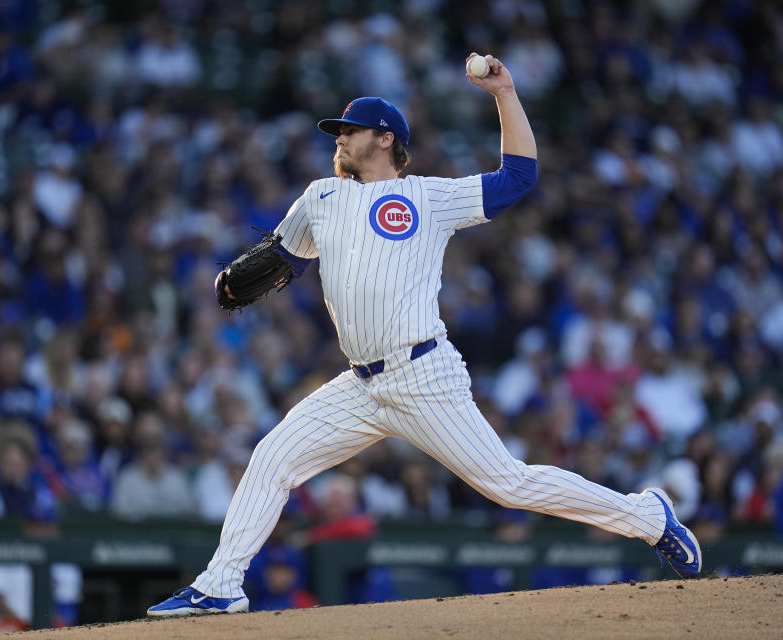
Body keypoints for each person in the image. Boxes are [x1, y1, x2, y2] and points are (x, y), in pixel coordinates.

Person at [148, 54, 701, 617]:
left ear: (385, 139)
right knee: (272, 458)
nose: (338, 138)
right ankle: (220, 584)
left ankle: (648, 517)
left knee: (508, 484)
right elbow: (282, 259)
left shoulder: (428, 197)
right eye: (336, 131)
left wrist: (504, 93)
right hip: (360, 385)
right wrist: (238, 278)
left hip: (423, 375)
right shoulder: (320, 197)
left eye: (349, 130)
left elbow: (519, 178)